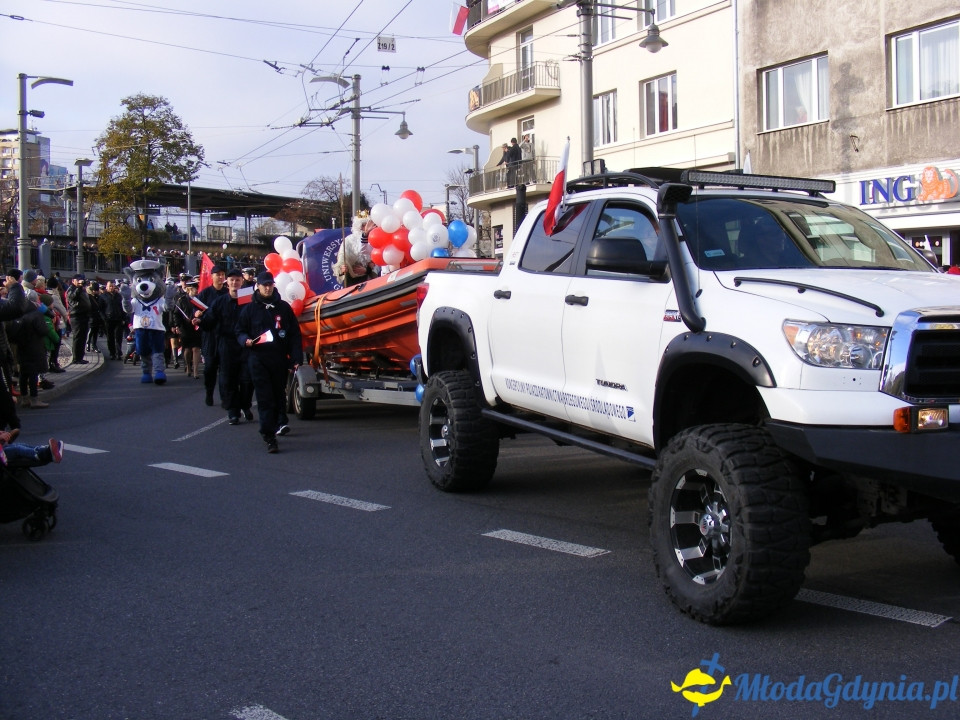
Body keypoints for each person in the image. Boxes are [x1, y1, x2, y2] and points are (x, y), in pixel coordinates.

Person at [235, 271, 302, 453]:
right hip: (258, 359)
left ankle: (279, 422)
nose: (267, 287)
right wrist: (245, 340)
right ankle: (268, 435)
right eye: (264, 284)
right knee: (265, 398)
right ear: (258, 286)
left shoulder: (283, 308)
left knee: (278, 395)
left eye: (270, 284)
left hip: (279, 359)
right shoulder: (249, 309)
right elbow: (239, 331)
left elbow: (294, 334)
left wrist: (296, 358)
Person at [200, 268, 253, 425]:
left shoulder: (248, 298)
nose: (234, 283)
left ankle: (245, 405)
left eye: (237, 280)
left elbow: (256, 318)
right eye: (231, 280)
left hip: (245, 344)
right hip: (227, 344)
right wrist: (200, 322)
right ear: (227, 283)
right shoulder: (220, 301)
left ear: (242, 282)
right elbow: (209, 321)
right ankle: (233, 411)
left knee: (247, 379)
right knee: (228, 379)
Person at [196, 266, 228, 406]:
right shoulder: (205, 294)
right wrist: (196, 314)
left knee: (225, 370)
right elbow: (196, 309)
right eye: (218, 275)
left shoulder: (228, 293)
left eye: (222, 274)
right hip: (209, 336)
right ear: (212, 276)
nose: (220, 277)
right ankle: (209, 392)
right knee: (209, 368)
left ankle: (224, 397)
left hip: (225, 336)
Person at [175, 280, 203, 378]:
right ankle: (188, 365)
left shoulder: (199, 300)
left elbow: (204, 311)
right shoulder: (181, 300)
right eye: (195, 288)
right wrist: (177, 325)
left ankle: (195, 370)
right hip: (185, 328)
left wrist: (200, 317)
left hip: (196, 327)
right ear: (190, 289)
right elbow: (176, 314)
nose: (196, 290)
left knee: (196, 348)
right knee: (187, 349)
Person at [66, 273, 91, 365]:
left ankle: (80, 357)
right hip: (76, 316)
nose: (80, 282)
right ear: (73, 281)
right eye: (78, 280)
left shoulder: (82, 289)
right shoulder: (71, 289)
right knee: (78, 337)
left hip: (84, 315)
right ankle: (76, 358)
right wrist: (79, 287)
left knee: (83, 337)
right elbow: (72, 297)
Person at [101, 279, 126, 360]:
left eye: (113, 286)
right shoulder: (103, 296)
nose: (111, 288)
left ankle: (118, 352)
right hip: (108, 319)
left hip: (118, 319)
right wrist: (104, 318)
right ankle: (112, 352)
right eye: (110, 286)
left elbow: (122, 308)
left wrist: (124, 318)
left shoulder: (119, 296)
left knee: (118, 336)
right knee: (110, 337)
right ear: (107, 287)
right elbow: (100, 309)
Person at [86, 281, 105, 354]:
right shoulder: (89, 297)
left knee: (96, 331)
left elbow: (101, 306)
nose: (95, 292)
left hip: (98, 316)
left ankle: (94, 345)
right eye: (94, 290)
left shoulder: (99, 297)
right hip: (91, 316)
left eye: (97, 290)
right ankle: (88, 344)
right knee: (91, 330)